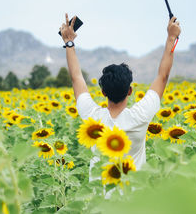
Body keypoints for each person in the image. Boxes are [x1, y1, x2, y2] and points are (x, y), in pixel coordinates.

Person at [59, 13, 181, 171]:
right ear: (130, 91)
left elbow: (76, 78)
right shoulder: (140, 116)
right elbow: (162, 77)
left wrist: (69, 43)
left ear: (103, 92)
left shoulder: (93, 120)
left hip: (99, 194)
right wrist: (171, 37)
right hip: (133, 194)